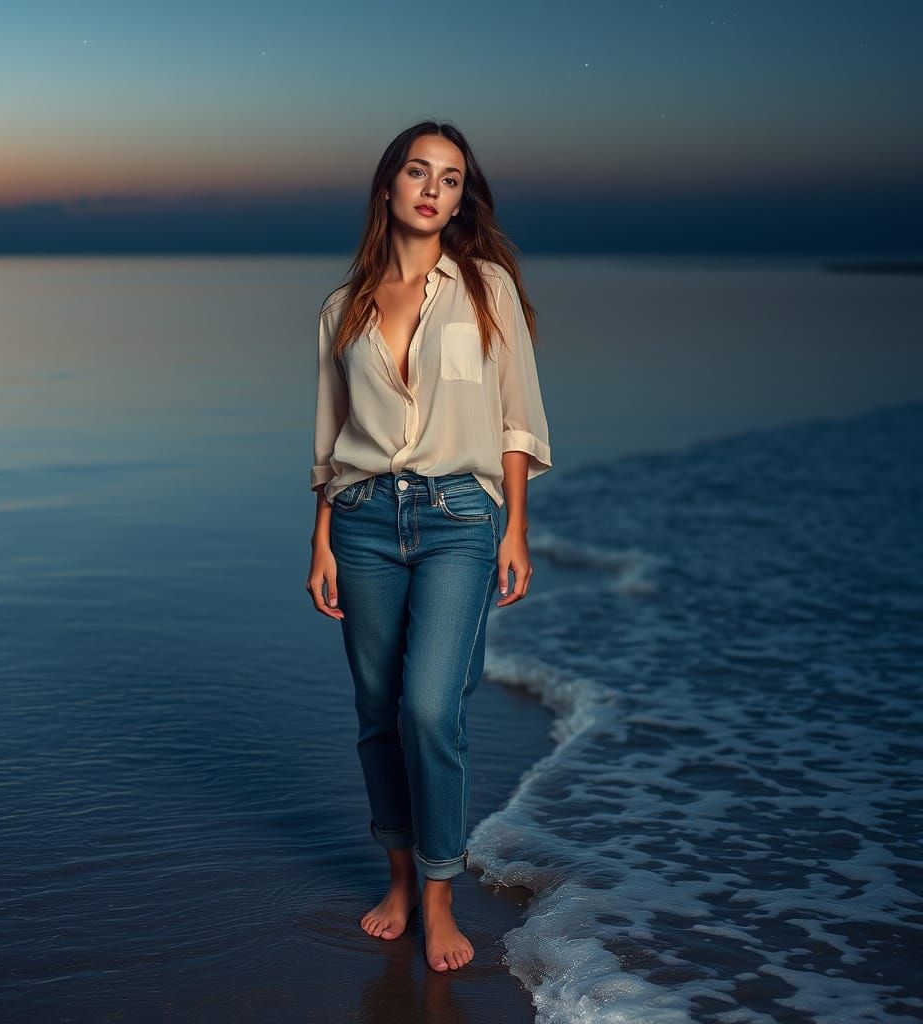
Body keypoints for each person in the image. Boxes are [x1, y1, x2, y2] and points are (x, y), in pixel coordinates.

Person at [305, 120, 552, 973]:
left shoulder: (486, 288)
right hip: (364, 521)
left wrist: (516, 525)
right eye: (419, 172)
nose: (432, 189)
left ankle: (442, 894)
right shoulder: (342, 309)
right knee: (376, 716)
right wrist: (323, 541)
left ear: (459, 198)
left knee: (428, 708)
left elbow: (517, 416)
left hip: (460, 520)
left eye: (450, 179)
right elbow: (330, 441)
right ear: (388, 186)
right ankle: (401, 880)